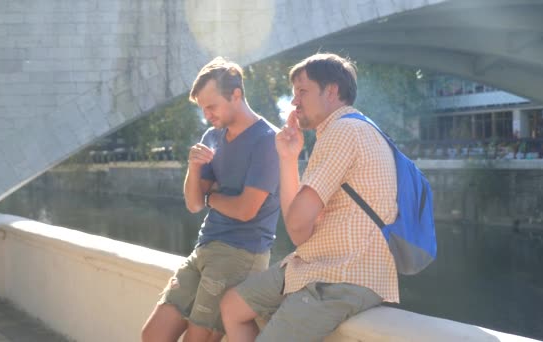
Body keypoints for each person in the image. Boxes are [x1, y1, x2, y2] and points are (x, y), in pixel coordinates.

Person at [220, 53, 400, 342]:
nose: (294, 102)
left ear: (332, 91)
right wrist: (288, 157)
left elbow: (297, 228)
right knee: (233, 306)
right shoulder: (355, 128)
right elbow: (299, 231)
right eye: (294, 94)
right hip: (315, 264)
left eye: (302, 91)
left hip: (342, 276)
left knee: (234, 308)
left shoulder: (343, 131)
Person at [141, 57, 280, 342]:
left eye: (211, 106)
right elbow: (194, 204)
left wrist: (211, 196)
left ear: (237, 95)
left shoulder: (268, 141)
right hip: (205, 248)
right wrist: (194, 169)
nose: (207, 115)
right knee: (153, 335)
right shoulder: (212, 135)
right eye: (203, 108)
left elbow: (245, 210)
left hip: (240, 253)